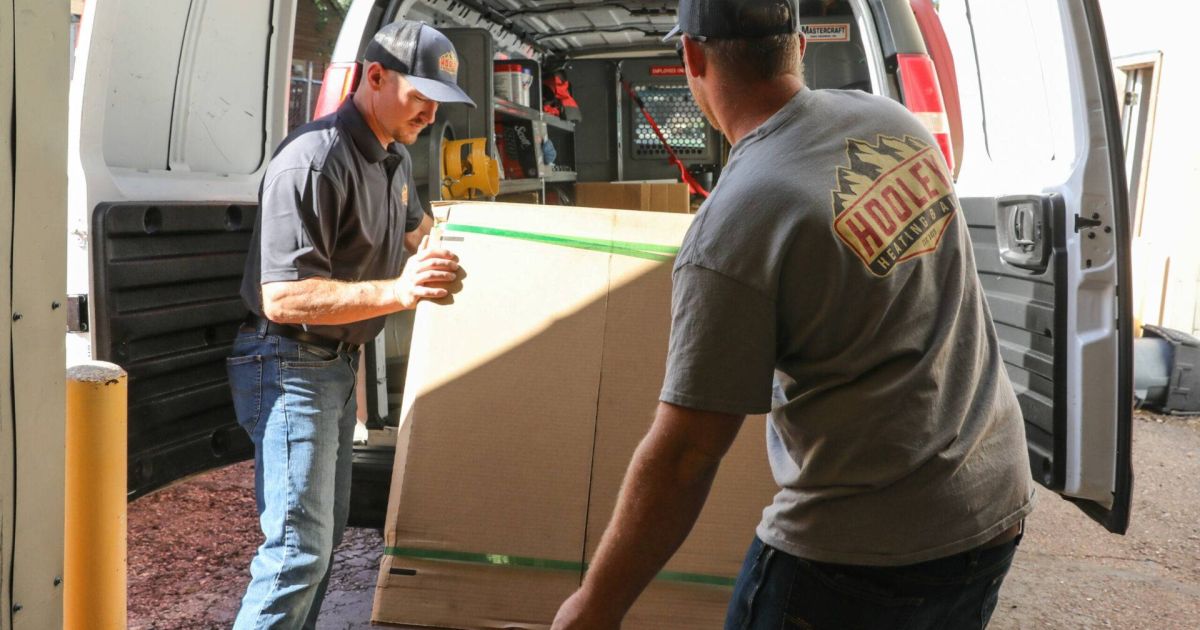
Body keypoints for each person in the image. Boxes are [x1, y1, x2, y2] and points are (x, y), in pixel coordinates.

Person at [552, 0, 1035, 628]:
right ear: (799, 45)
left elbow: (685, 456)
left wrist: (593, 609)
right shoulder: (896, 122)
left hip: (862, 554)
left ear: (692, 57)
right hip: (992, 501)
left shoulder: (736, 224)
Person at [226, 20, 471, 629]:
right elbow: (281, 297)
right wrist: (398, 290)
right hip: (286, 362)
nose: (429, 117)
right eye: (421, 99)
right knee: (295, 554)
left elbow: (421, 233)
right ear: (376, 77)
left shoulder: (391, 156)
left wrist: (472, 246)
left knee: (320, 545)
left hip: (333, 366)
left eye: (438, 105)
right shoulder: (314, 161)